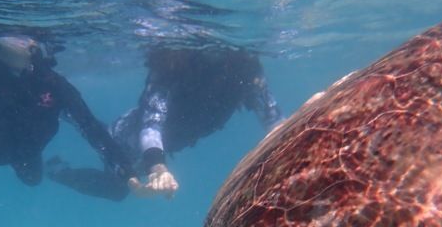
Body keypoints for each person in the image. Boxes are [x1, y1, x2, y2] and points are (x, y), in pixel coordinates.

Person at [46, 46, 284, 200]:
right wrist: (157, 168)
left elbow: (274, 122)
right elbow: (152, 122)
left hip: (163, 144)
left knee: (103, 150)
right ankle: (58, 170)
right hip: (131, 139)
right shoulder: (172, 67)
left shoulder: (248, 73)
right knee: (116, 188)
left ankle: (67, 117)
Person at [0, 34, 137, 187]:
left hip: (25, 149)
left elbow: (89, 125)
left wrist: (125, 170)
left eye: (26, 40)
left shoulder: (51, 83)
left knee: (33, 180)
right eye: (11, 38)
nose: (20, 43)